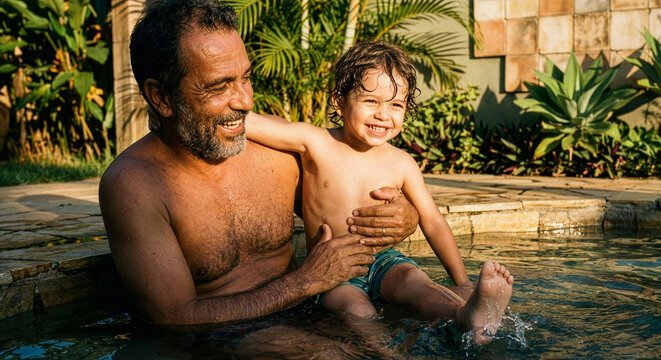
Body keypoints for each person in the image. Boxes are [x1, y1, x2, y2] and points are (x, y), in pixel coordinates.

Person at [98, 0, 420, 326]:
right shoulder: (135, 185)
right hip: (224, 340)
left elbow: (344, 202)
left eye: (245, 78)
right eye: (219, 86)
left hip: (318, 314)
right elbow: (174, 318)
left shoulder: (275, 154)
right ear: (161, 97)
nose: (245, 101)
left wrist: (404, 215)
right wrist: (305, 282)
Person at [244, 41, 514, 343]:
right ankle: (386, 352)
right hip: (333, 269)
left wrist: (461, 281)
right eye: (371, 102)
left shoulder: (401, 162)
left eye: (396, 105)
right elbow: (250, 123)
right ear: (340, 101)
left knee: (416, 282)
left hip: (385, 259)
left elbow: (433, 221)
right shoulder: (315, 142)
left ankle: (468, 315)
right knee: (357, 310)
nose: (384, 115)